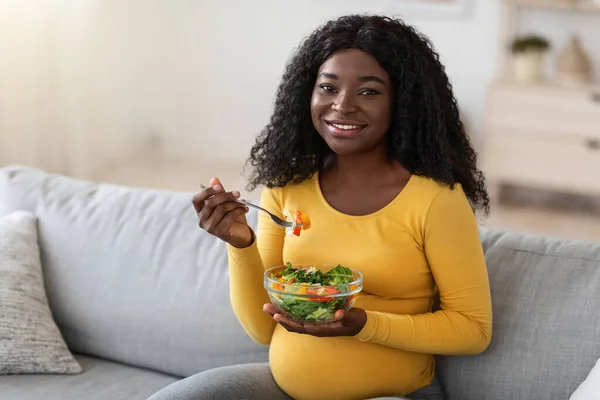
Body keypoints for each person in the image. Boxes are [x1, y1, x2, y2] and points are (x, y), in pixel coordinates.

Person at [157, 14, 493, 400]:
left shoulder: (436, 200)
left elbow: (473, 330)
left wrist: (363, 324)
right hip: (282, 388)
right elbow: (262, 329)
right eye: (328, 87)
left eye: (369, 92)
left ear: (403, 102)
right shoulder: (287, 187)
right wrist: (241, 244)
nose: (342, 105)